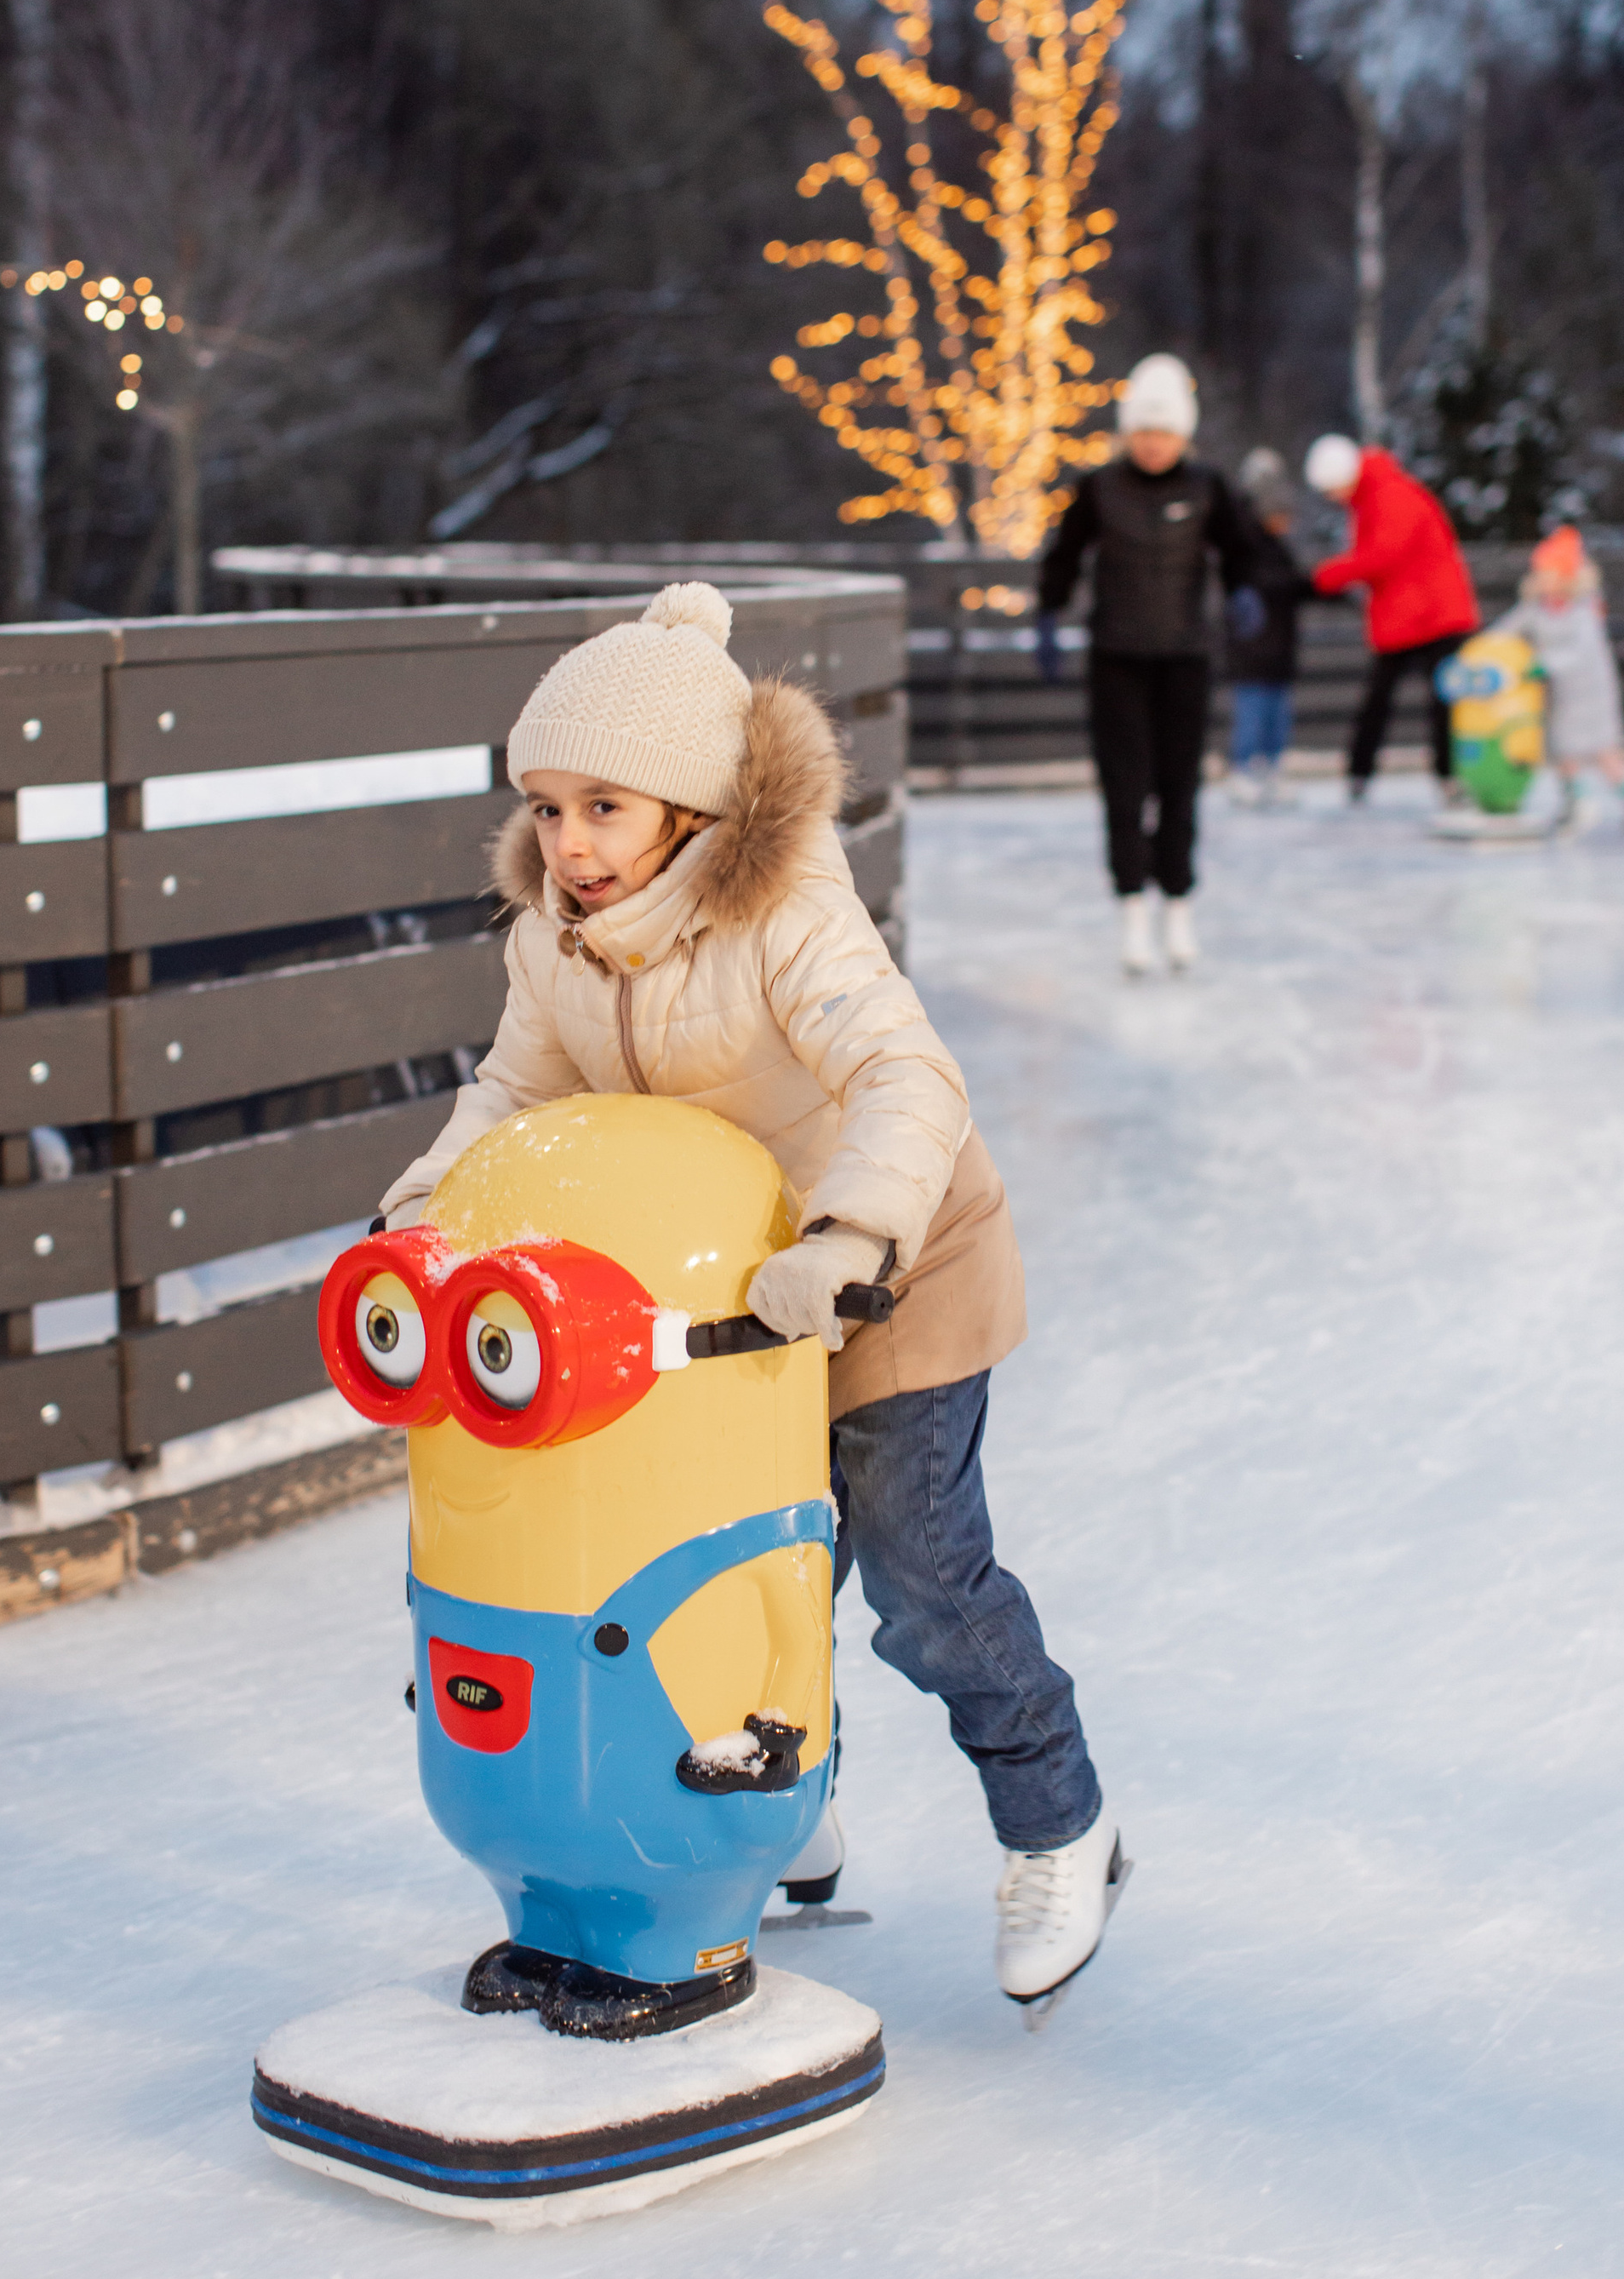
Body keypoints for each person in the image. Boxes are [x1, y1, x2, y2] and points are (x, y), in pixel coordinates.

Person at [377, 582, 1121, 2015]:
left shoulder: (785, 914)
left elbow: (906, 1076)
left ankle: (1060, 1824)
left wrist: (852, 1235)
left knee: (916, 1574)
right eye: (548, 808)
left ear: (690, 807)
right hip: (729, 1306)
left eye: (605, 808)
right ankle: (780, 1807)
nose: (570, 844)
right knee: (735, 1570)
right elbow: (516, 1091)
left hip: (896, 1270)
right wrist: (425, 1211)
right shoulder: (556, 937)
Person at [1035, 352, 1258, 973]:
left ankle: (1178, 904)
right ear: (1128, 432)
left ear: (1182, 434)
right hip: (1117, 659)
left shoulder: (1208, 487)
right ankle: (1132, 909)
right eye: (1143, 432)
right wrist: (1049, 613)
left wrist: (1244, 593)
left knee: (1180, 786)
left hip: (1185, 658)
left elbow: (1242, 550)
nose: (1153, 444)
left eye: (1164, 432)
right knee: (1125, 789)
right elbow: (1063, 555)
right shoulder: (1099, 488)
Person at [1304, 432, 1479, 801]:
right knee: (1385, 698)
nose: (1333, 498)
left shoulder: (1389, 494)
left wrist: (1328, 576)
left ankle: (1447, 776)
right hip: (1408, 614)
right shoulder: (1371, 497)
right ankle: (1361, 772)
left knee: (1441, 700)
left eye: (1332, 490)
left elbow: (1382, 556)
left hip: (1433, 615)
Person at [1506, 524, 1624, 839]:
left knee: (1604, 754)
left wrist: (1543, 664)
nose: (1542, 580)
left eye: (1549, 573)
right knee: (1561, 751)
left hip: (1591, 695)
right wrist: (1483, 650)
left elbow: (1580, 653)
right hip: (1559, 697)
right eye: (1539, 573)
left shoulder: (1583, 611)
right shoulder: (1536, 609)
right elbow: (1509, 630)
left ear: (1566, 576)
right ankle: (1576, 803)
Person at [1225, 447, 1317, 803]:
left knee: (1277, 713)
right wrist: (1309, 584)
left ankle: (1270, 768)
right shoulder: (1245, 544)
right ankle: (1244, 768)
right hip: (1254, 646)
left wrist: (1323, 585)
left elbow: (1290, 584)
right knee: (1253, 709)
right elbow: (1270, 584)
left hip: (1278, 645)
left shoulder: (1276, 547)